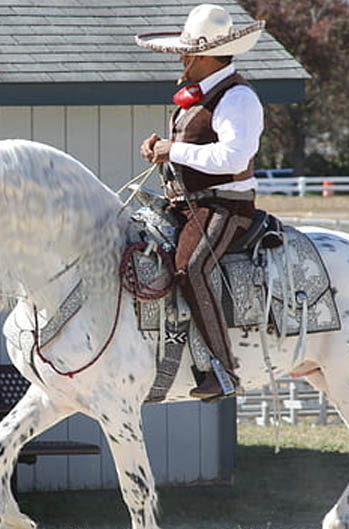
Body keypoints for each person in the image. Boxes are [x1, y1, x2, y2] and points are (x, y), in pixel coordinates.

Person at [135, 4, 266, 400]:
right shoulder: (205, 96)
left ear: (206, 56)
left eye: (187, 53)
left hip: (226, 206)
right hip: (190, 203)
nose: (182, 59)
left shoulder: (238, 98)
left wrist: (173, 149)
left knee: (190, 268)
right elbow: (195, 148)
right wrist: (161, 149)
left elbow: (233, 158)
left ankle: (225, 372)